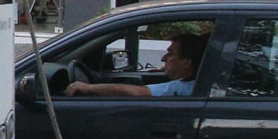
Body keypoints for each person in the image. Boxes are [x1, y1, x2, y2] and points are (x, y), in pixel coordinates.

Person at [68, 30, 206, 98]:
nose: (163, 58)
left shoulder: (182, 87)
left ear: (186, 62)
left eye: (170, 54)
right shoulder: (201, 84)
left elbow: (138, 92)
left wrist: (88, 88)